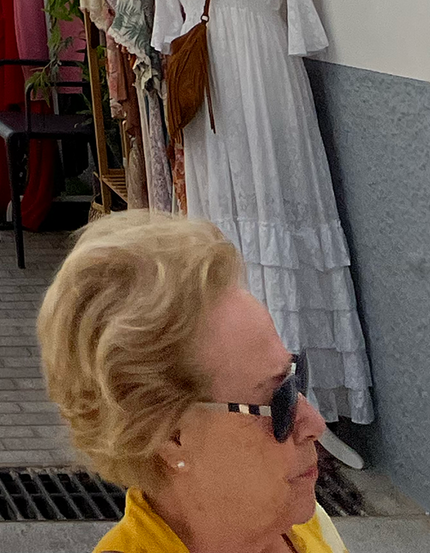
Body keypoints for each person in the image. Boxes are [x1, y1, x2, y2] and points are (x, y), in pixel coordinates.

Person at [37, 211, 350, 553]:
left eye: (296, 377)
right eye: (280, 402)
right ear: (171, 436)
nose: (315, 424)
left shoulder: (302, 523)